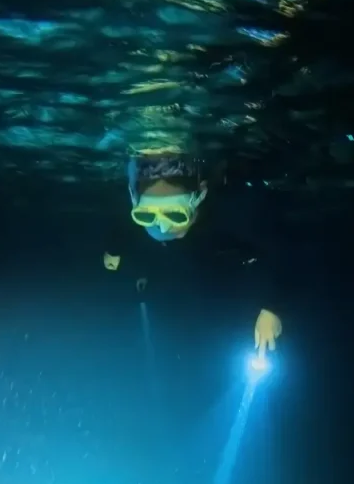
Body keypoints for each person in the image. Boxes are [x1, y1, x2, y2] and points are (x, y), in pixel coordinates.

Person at [106, 151, 284, 359]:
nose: (162, 226)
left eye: (174, 214)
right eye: (146, 215)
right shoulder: (127, 209)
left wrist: (273, 307)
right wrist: (114, 247)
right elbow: (123, 223)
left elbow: (282, 252)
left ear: (200, 195)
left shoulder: (236, 213)